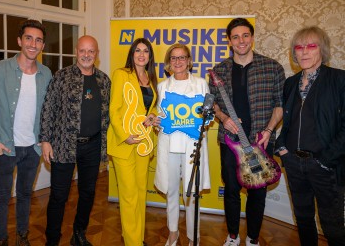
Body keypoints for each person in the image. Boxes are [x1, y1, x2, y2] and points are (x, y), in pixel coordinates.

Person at [209, 17, 285, 246]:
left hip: (261, 141)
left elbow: (280, 105)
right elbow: (212, 104)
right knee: (231, 190)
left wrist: (270, 130)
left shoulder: (273, 67)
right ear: (229, 41)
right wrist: (223, 118)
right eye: (235, 37)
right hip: (229, 141)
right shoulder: (218, 70)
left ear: (251, 37)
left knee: (258, 193)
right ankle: (232, 236)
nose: (241, 41)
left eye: (245, 35)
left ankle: (252, 238)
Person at [275, 26, 345, 245]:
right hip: (295, 164)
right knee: (303, 219)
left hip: (326, 167)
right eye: (299, 47)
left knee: (332, 226)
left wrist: (325, 160)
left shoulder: (339, 80)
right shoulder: (290, 83)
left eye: (311, 46)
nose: (304, 52)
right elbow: (288, 121)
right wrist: (282, 148)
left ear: (321, 50)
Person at [0, 19, 52, 246]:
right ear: (19, 41)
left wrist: (45, 140)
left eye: (38, 40)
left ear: (43, 45)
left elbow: (47, 112)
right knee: (2, 198)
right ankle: (2, 240)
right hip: (3, 147)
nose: (33, 44)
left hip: (31, 149)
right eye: (29, 38)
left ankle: (22, 236)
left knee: (25, 195)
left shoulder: (46, 73)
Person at [39, 35, 111, 246]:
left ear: (96, 55)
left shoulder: (104, 80)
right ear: (76, 52)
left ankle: (79, 234)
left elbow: (110, 114)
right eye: (82, 51)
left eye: (91, 51)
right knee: (59, 196)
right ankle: (52, 239)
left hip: (93, 145)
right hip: (63, 145)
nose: (86, 55)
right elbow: (48, 109)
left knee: (88, 193)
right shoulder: (61, 77)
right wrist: (45, 140)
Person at [154, 43, 211, 246]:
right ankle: (173, 232)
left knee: (192, 193)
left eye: (182, 57)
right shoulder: (162, 86)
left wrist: (206, 119)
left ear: (189, 61)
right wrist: (157, 122)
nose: (178, 62)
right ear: (169, 63)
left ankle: (193, 235)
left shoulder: (201, 84)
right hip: (169, 145)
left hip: (191, 146)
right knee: (171, 191)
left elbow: (208, 115)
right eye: (174, 58)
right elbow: (160, 118)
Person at [107, 38, 159, 246]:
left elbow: (151, 107)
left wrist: (153, 116)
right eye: (137, 50)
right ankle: (133, 242)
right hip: (125, 143)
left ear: (149, 56)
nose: (141, 54)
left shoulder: (150, 78)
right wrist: (123, 135)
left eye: (145, 51)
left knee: (139, 194)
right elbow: (114, 109)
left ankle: (138, 237)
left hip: (144, 143)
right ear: (132, 53)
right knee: (128, 197)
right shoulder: (121, 74)